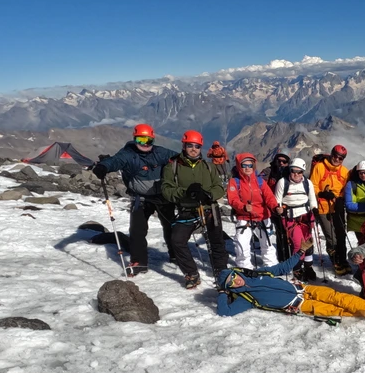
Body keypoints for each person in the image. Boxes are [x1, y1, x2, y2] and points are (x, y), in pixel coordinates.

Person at [216, 239, 365, 321]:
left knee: (338, 297)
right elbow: (226, 312)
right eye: (230, 283)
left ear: (237, 272)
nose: (236, 281)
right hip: (299, 305)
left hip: (303, 288)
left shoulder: (257, 273)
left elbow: (283, 268)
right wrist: (222, 293)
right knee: (335, 310)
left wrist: (300, 252)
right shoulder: (245, 299)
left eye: (234, 277)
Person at [92, 123, 178, 276]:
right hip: (141, 198)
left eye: (148, 141)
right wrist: (103, 167)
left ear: (153, 140)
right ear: (134, 139)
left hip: (163, 197)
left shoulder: (161, 152)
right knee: (137, 230)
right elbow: (114, 161)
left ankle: (176, 255)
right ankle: (139, 262)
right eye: (140, 140)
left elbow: (179, 158)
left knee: (170, 227)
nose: (144, 144)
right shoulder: (127, 154)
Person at [160, 130, 228, 289]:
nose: (193, 149)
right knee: (177, 240)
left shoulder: (209, 167)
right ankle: (191, 272)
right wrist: (185, 194)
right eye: (190, 145)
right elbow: (166, 189)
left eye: (197, 146)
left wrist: (208, 195)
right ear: (184, 146)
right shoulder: (173, 167)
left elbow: (219, 187)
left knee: (216, 241)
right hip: (186, 210)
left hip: (208, 208)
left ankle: (222, 271)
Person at [226, 153, 279, 270]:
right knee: (241, 245)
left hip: (262, 216)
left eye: (250, 165)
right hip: (244, 217)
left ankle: (271, 267)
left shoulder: (260, 181)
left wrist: (275, 207)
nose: (247, 168)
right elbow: (232, 199)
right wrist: (243, 207)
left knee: (267, 244)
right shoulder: (235, 182)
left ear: (254, 166)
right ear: (239, 166)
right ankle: (245, 268)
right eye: (244, 165)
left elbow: (269, 197)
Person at [275, 157, 319, 281]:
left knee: (308, 243)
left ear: (303, 172)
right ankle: (297, 268)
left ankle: (308, 267)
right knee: (299, 245)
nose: (295, 174)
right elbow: (277, 201)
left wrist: (314, 208)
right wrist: (280, 209)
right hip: (290, 217)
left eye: (299, 172)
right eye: (293, 171)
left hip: (306, 216)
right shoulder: (283, 183)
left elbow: (312, 199)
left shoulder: (307, 183)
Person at [311, 145, 350, 275]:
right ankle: (336, 261)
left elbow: (346, 189)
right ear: (331, 154)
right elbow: (313, 185)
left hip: (337, 207)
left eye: (340, 158)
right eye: (335, 156)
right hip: (323, 208)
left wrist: (341, 198)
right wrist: (321, 194)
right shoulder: (320, 167)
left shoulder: (344, 171)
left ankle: (343, 260)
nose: (337, 159)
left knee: (340, 235)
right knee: (331, 237)